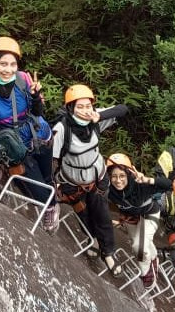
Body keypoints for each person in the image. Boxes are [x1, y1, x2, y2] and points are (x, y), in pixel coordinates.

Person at [0, 36, 59, 230]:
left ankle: (52, 207)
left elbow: (38, 112)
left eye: (13, 64)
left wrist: (36, 96)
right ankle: (48, 204)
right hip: (16, 146)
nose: (8, 70)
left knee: (48, 178)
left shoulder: (23, 79)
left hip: (40, 135)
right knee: (40, 193)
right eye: (3, 64)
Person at [52, 84, 128, 277]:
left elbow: (123, 109)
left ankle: (108, 253)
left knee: (102, 215)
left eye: (88, 106)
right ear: (71, 107)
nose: (85, 110)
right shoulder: (62, 129)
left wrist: (99, 116)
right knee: (83, 214)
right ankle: (92, 240)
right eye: (80, 107)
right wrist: (54, 182)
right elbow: (52, 158)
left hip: (97, 179)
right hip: (72, 182)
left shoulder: (95, 118)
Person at [106, 152, 172, 288]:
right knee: (138, 243)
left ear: (128, 174)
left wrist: (148, 180)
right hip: (130, 217)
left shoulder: (140, 184)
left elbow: (170, 185)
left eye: (122, 176)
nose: (118, 180)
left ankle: (146, 273)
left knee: (139, 247)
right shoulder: (109, 189)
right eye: (114, 176)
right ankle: (153, 258)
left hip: (150, 213)